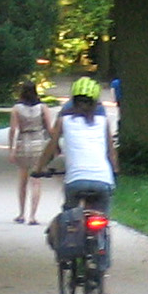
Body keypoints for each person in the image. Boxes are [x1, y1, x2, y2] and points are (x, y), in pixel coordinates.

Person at [40, 76, 117, 214]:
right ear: (95, 103)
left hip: (75, 181)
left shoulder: (64, 121)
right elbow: (111, 152)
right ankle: (103, 234)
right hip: (102, 180)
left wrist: (39, 167)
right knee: (102, 215)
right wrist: (116, 170)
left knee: (69, 218)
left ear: (73, 101)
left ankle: (69, 232)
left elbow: (51, 147)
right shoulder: (103, 122)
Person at [9, 80, 51, 224]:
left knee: (22, 180)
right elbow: (50, 129)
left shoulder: (16, 109)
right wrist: (54, 146)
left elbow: (13, 130)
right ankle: (33, 215)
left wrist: (11, 149)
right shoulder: (43, 108)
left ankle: (21, 213)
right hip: (38, 143)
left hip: (23, 142)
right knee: (36, 181)